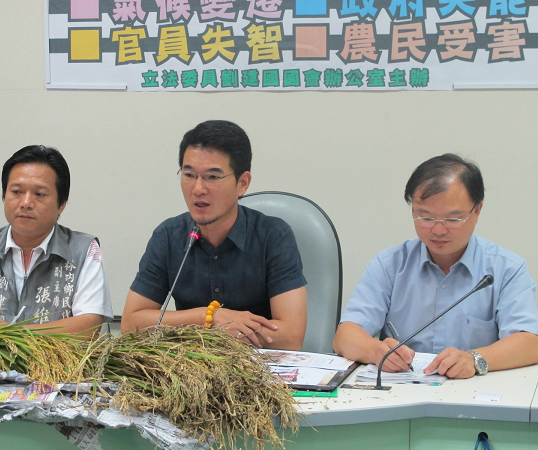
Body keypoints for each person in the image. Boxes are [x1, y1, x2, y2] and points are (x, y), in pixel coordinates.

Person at [334, 153, 538, 379]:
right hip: (400, 394)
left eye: (453, 219)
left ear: (477, 211)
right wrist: (376, 351)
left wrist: (474, 358)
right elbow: (346, 336)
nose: (438, 230)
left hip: (474, 394)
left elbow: (529, 342)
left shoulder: (506, 269)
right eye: (426, 217)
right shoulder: (390, 265)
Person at [121, 120, 307, 350]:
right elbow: (131, 324)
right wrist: (209, 318)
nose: (198, 188)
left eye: (212, 177)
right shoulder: (168, 236)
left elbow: (290, 336)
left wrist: (204, 330)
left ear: (243, 183)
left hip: (260, 371)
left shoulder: (273, 236)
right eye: (189, 174)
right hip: (190, 371)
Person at [0, 145, 113, 337]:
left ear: (61, 204)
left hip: (54, 365)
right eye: (16, 192)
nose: (26, 203)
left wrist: (11, 333)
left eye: (39, 194)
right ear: (4, 195)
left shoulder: (84, 250)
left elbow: (88, 325)